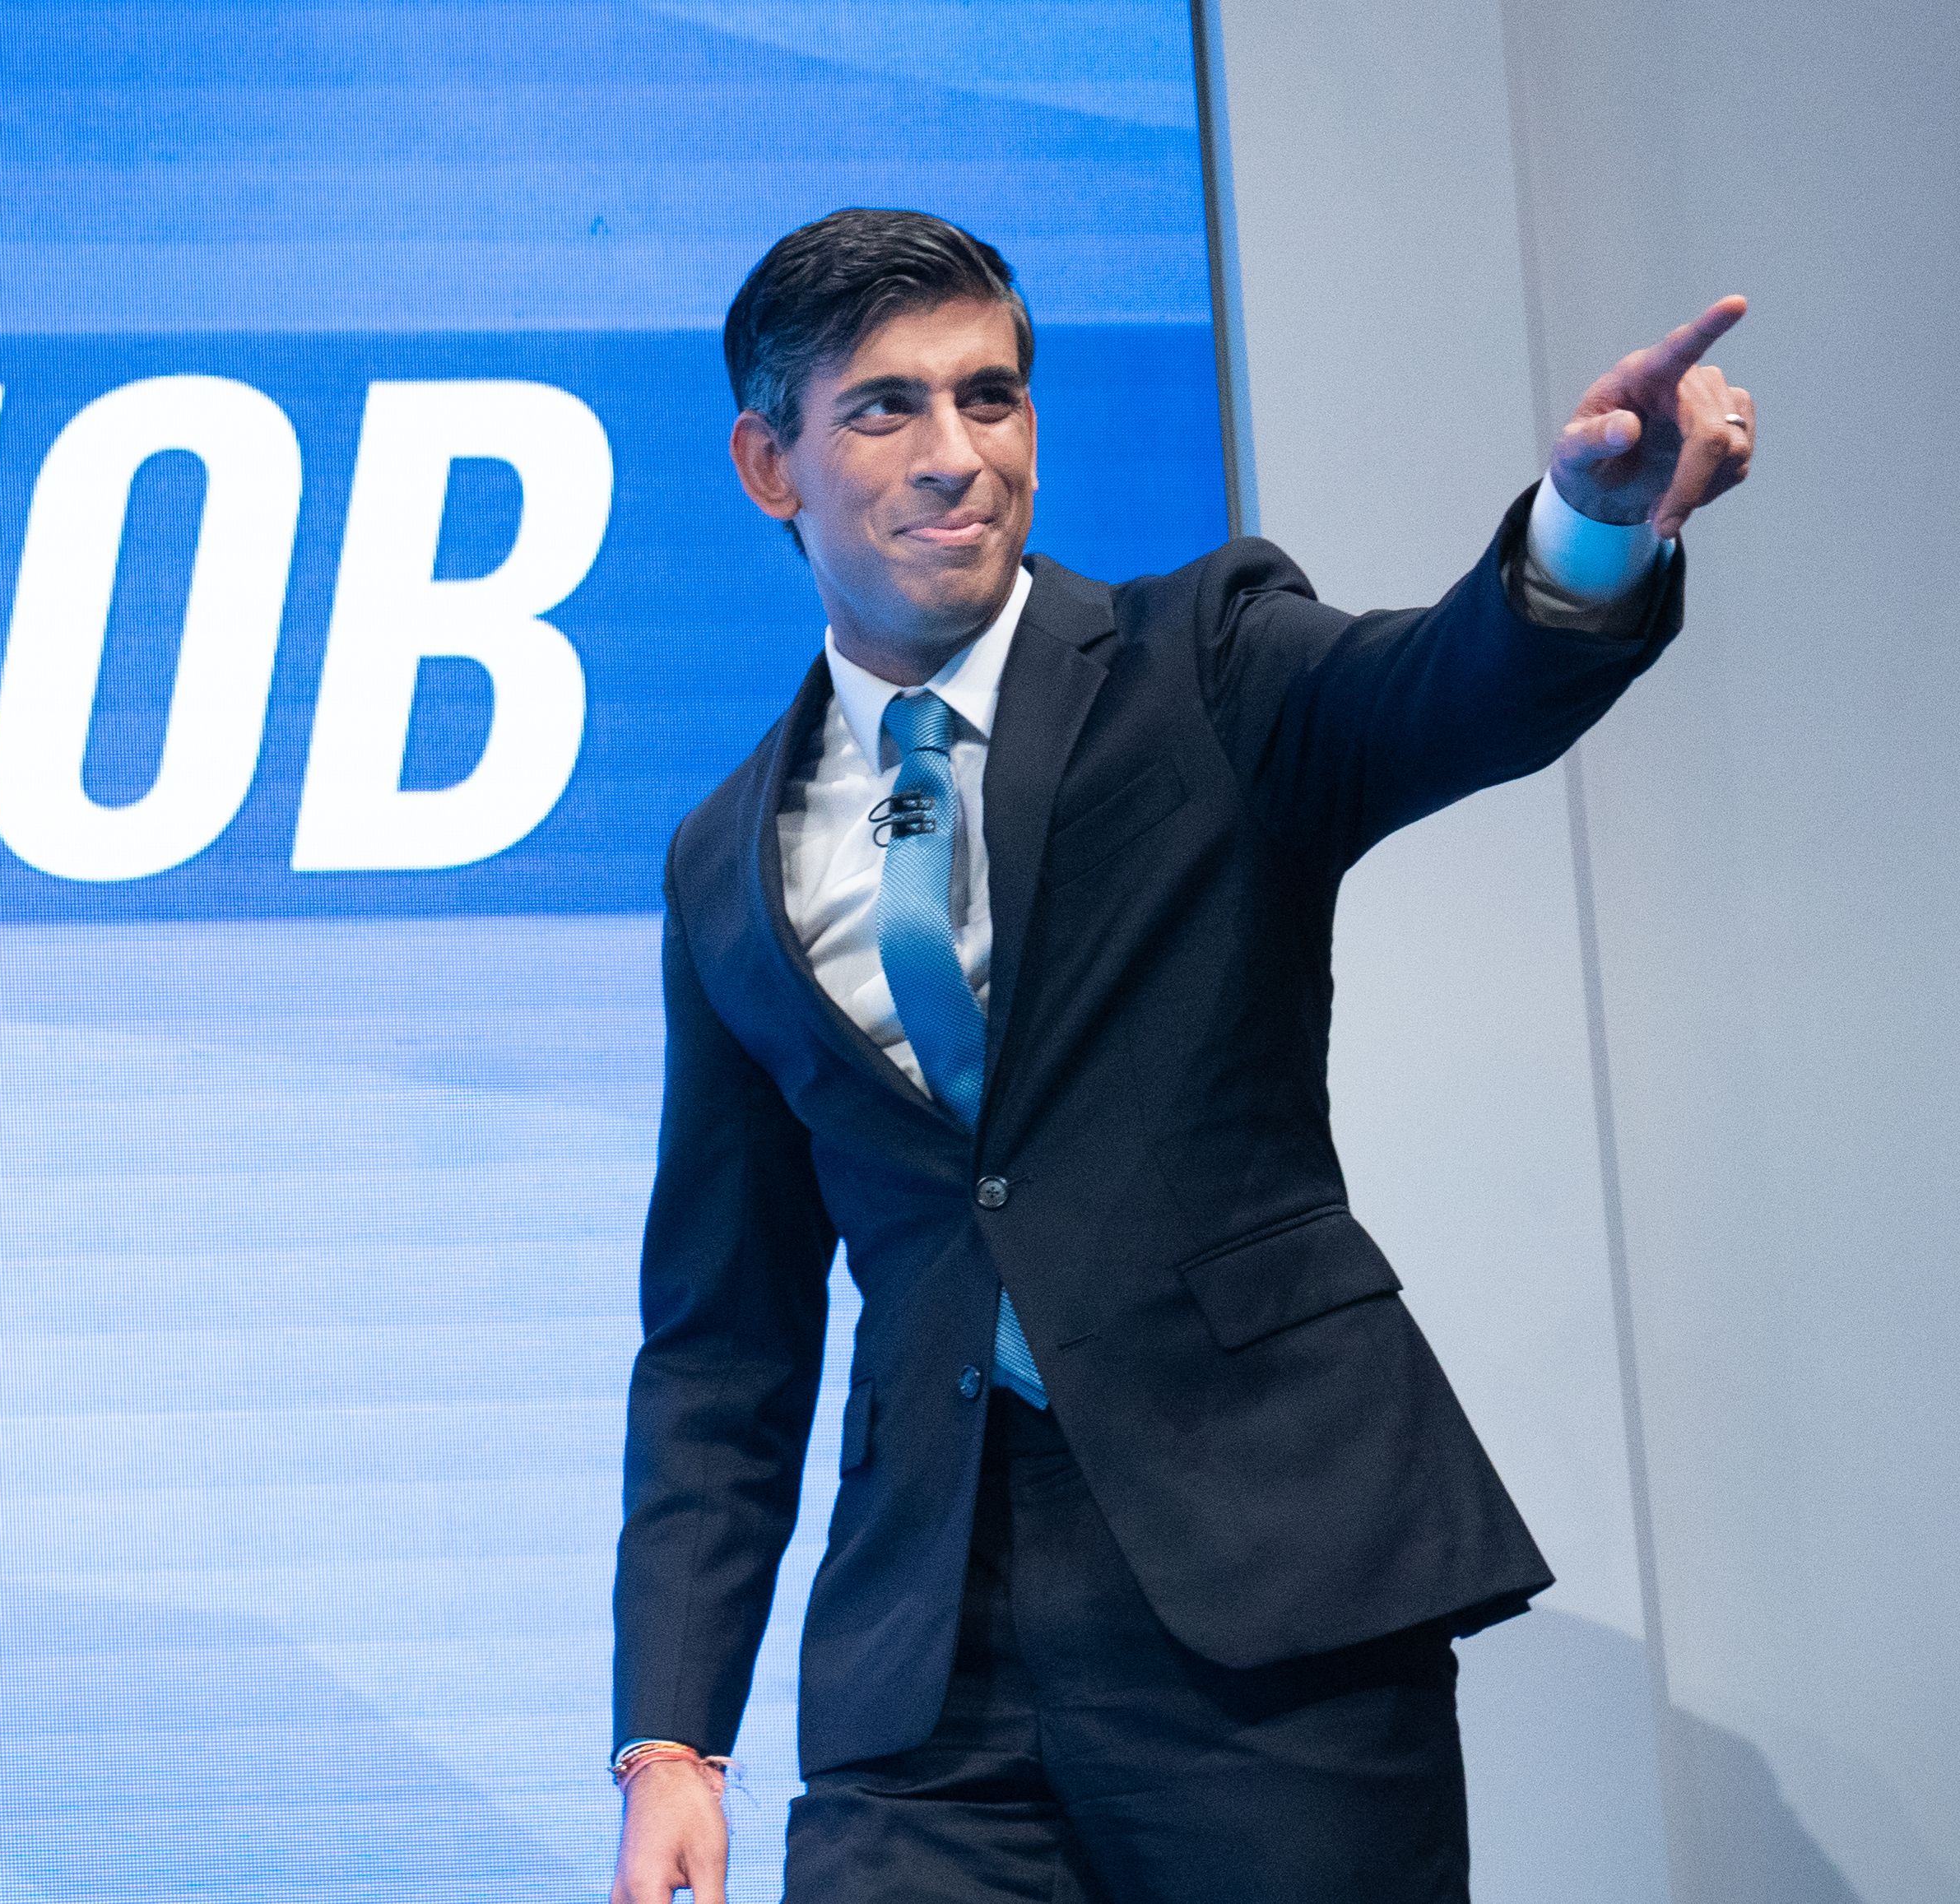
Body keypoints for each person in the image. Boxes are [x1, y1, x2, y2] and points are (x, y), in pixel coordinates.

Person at [606, 208, 1752, 1903]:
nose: (954, 457)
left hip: (1266, 1600)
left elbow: (1446, 687)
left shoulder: (1201, 659)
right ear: (767, 462)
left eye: (989, 399)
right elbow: (722, 1340)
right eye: (885, 410)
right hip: (925, 1658)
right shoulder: (724, 859)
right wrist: (672, 1736)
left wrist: (1587, 530)